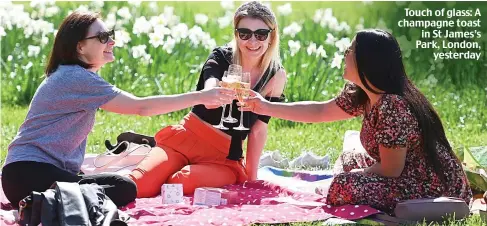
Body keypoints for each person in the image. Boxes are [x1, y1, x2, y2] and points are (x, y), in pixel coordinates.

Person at [2, 11, 235, 208]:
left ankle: (47, 204)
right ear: (80, 47)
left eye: (110, 35)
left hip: (26, 175)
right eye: (103, 37)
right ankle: (41, 206)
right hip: (28, 174)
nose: (111, 42)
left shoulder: (71, 75)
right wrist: (201, 96)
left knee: (116, 183)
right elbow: (141, 107)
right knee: (123, 187)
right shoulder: (75, 77)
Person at [241, 29, 472, 213]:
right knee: (348, 158)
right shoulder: (363, 93)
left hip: (432, 187)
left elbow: (391, 170)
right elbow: (321, 112)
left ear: (366, 60)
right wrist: (265, 106)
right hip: (404, 172)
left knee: (343, 184)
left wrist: (358, 175)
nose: (345, 53)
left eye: (350, 49)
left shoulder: (393, 105)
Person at [128, 1, 287, 197]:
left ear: (271, 36)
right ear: (236, 34)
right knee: (138, 185)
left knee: (180, 183)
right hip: (186, 138)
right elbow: (210, 85)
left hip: (223, 157)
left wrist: (251, 179)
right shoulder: (221, 57)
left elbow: (258, 129)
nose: (252, 41)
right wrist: (212, 93)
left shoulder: (275, 76)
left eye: (261, 34)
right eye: (244, 33)